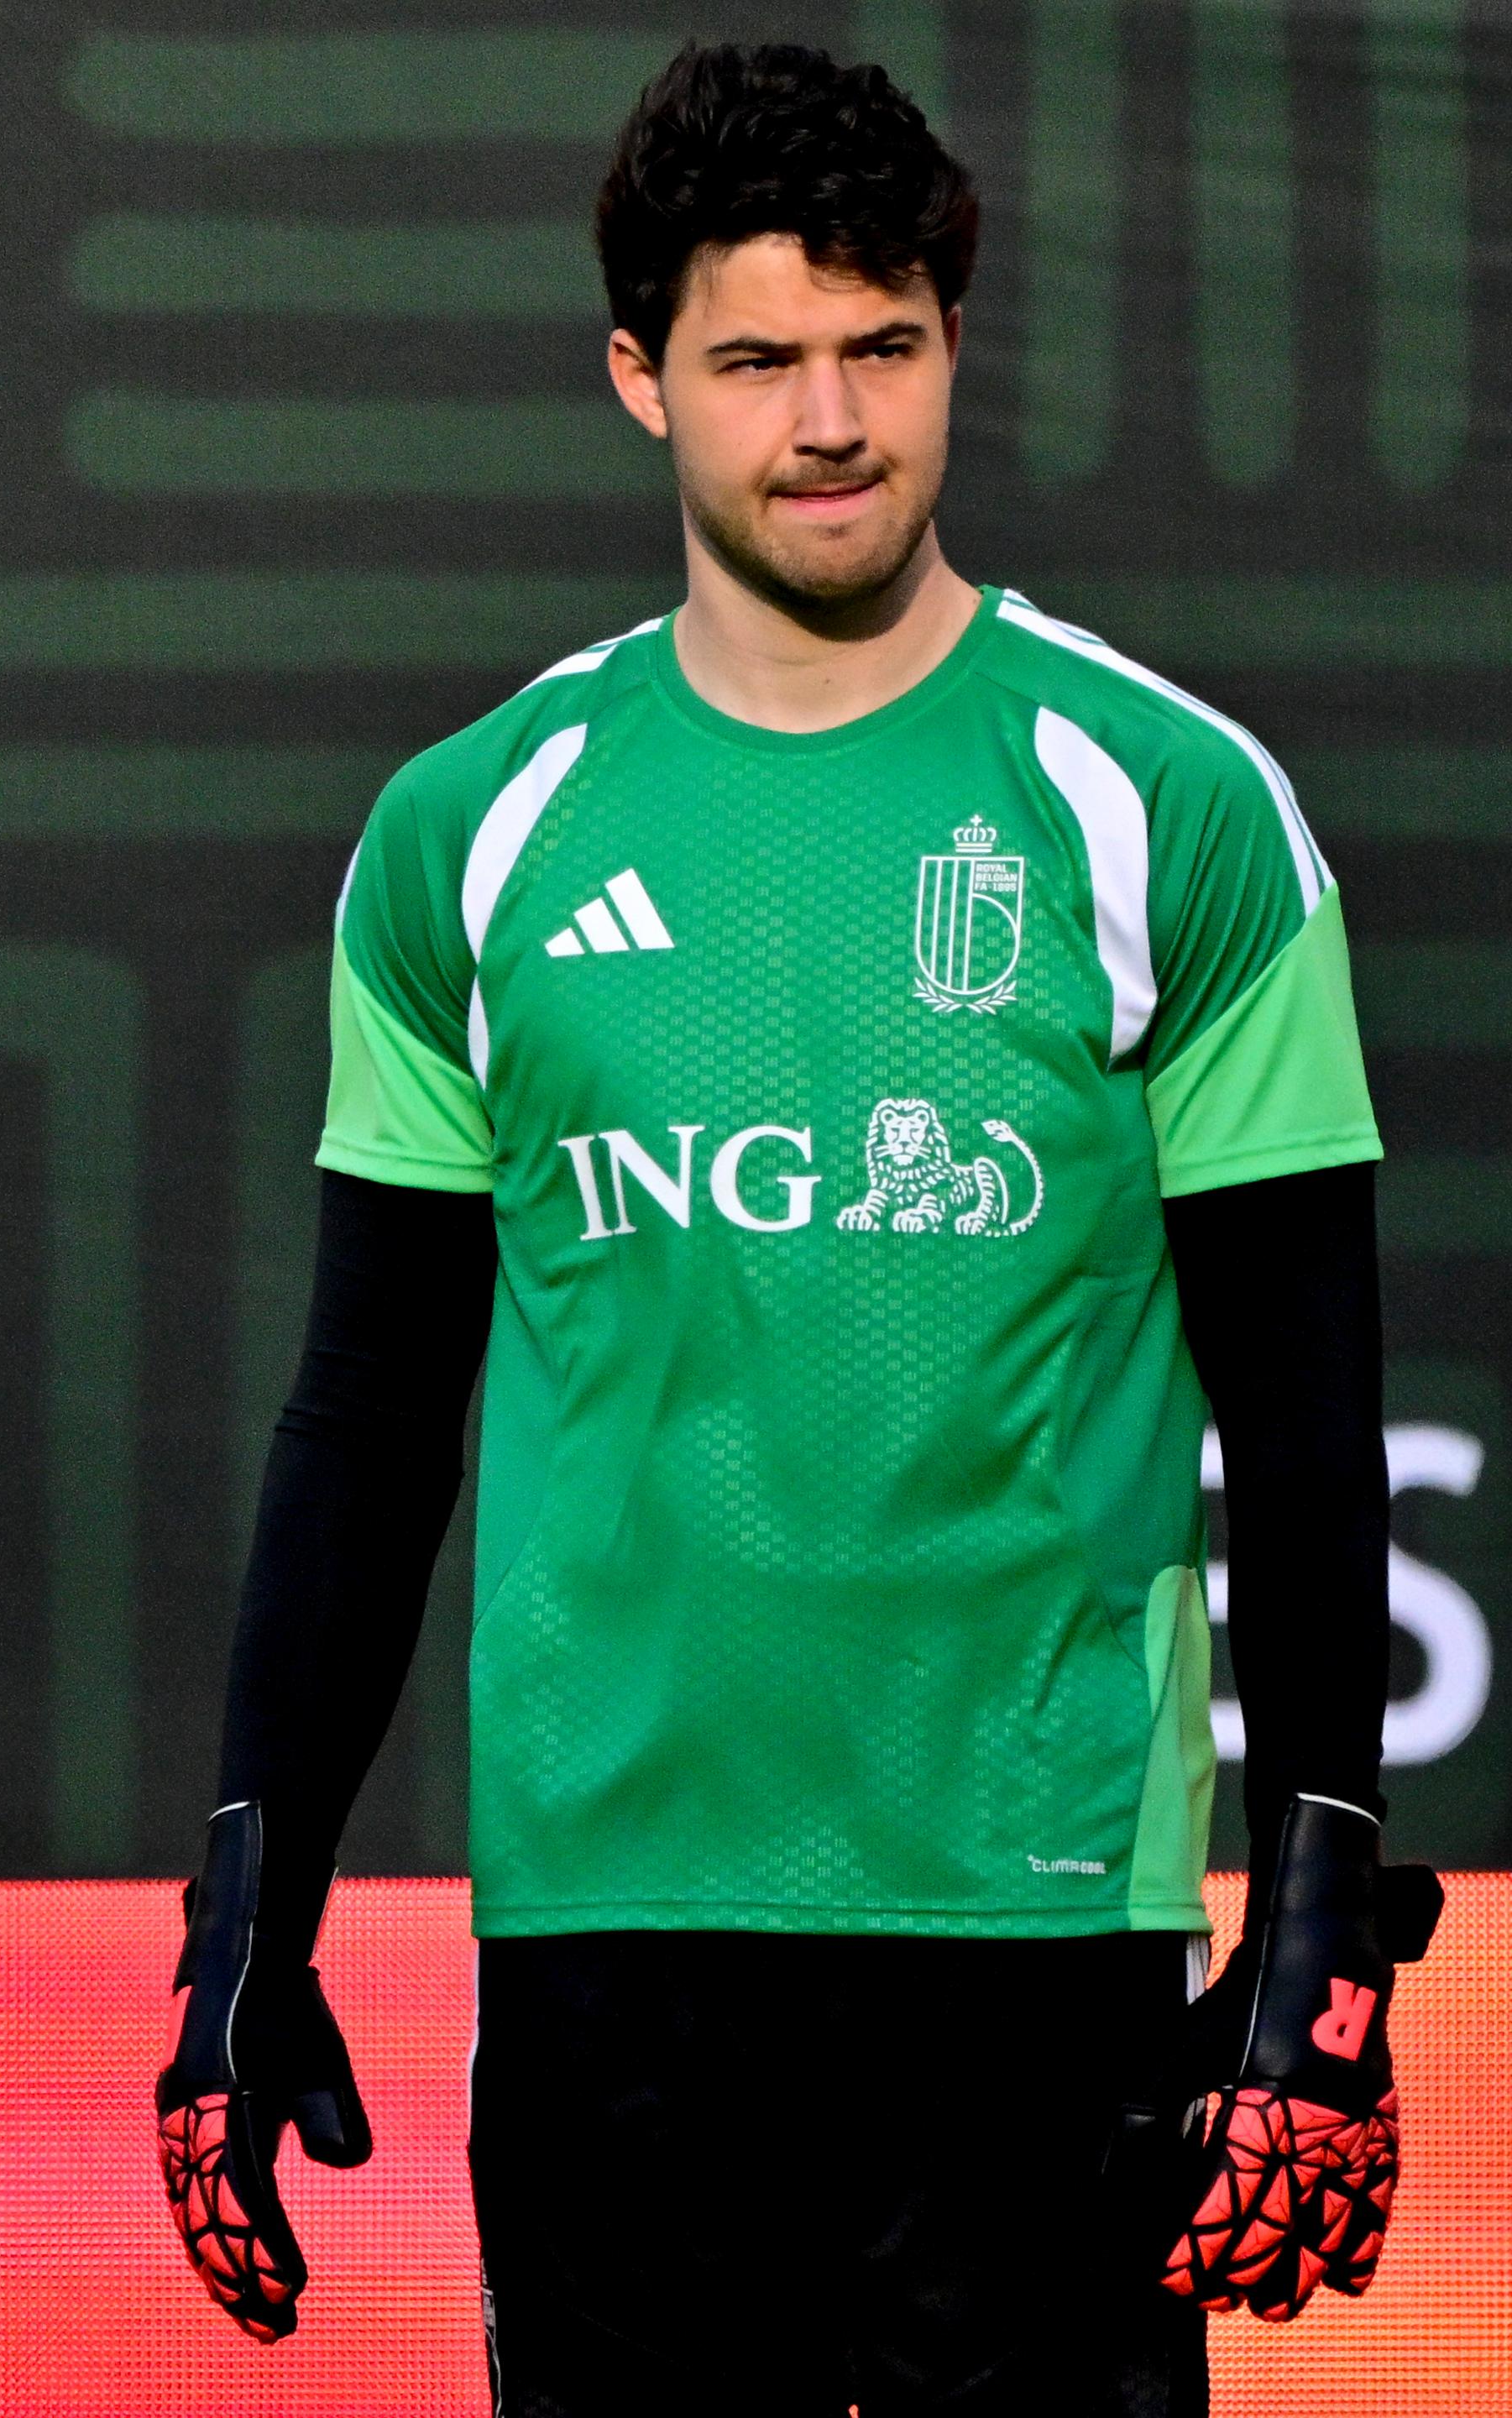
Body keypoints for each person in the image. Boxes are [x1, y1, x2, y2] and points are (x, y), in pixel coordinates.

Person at [154, 40, 1439, 2416]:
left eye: (885, 345)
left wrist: (1326, 1901)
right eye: (759, 356)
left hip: (1044, 1938)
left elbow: (1310, 1408)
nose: (830, 417)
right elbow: (364, 1416)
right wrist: (254, 1893)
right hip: (609, 1951)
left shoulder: (1174, 809)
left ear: (955, 342)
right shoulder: (475, 833)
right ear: (643, 376)